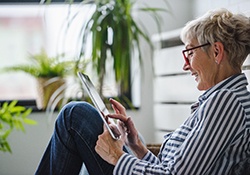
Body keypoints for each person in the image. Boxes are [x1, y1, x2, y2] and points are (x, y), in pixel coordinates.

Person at [35, 8, 250, 175]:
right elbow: (174, 167)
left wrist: (117, 156)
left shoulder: (226, 101)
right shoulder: (222, 99)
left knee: (74, 115)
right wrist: (136, 146)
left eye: (189, 53)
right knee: (84, 127)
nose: (185, 65)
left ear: (216, 51)